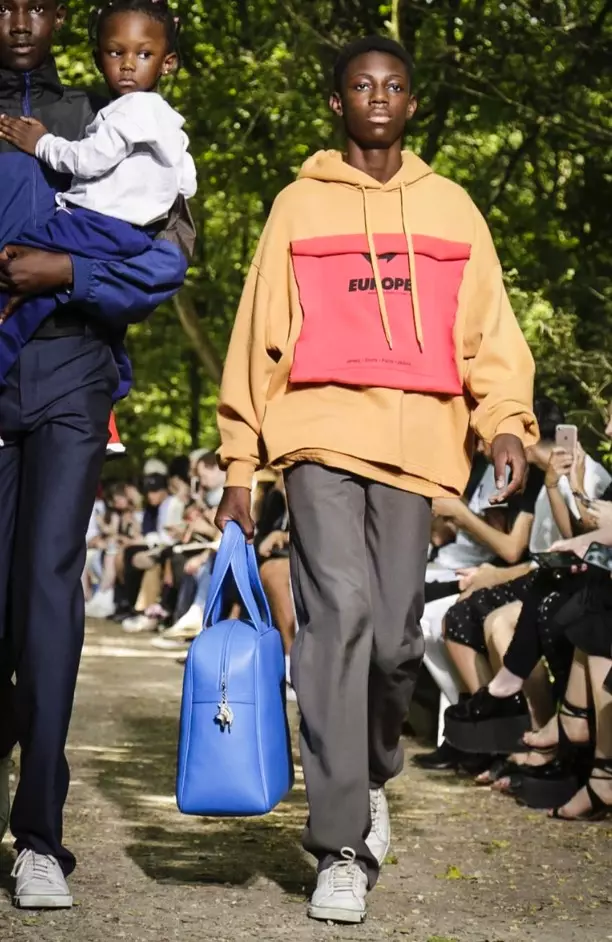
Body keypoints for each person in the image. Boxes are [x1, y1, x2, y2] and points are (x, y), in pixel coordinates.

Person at [215, 35, 537, 924]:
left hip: (421, 445)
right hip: (316, 432)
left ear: (413, 102)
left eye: (394, 85)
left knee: (396, 642)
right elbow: (258, 333)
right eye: (362, 85)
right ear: (337, 103)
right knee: (338, 618)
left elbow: (490, 335)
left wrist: (506, 421)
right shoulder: (297, 205)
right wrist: (241, 463)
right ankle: (340, 844)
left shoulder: (454, 209)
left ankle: (370, 776)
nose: (379, 97)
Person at [0, 0, 193, 910]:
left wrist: (67, 273)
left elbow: (170, 259)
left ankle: (39, 836)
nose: (21, 19)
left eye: (39, 2)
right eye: (7, 3)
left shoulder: (109, 116)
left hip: (74, 378)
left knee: (46, 592)